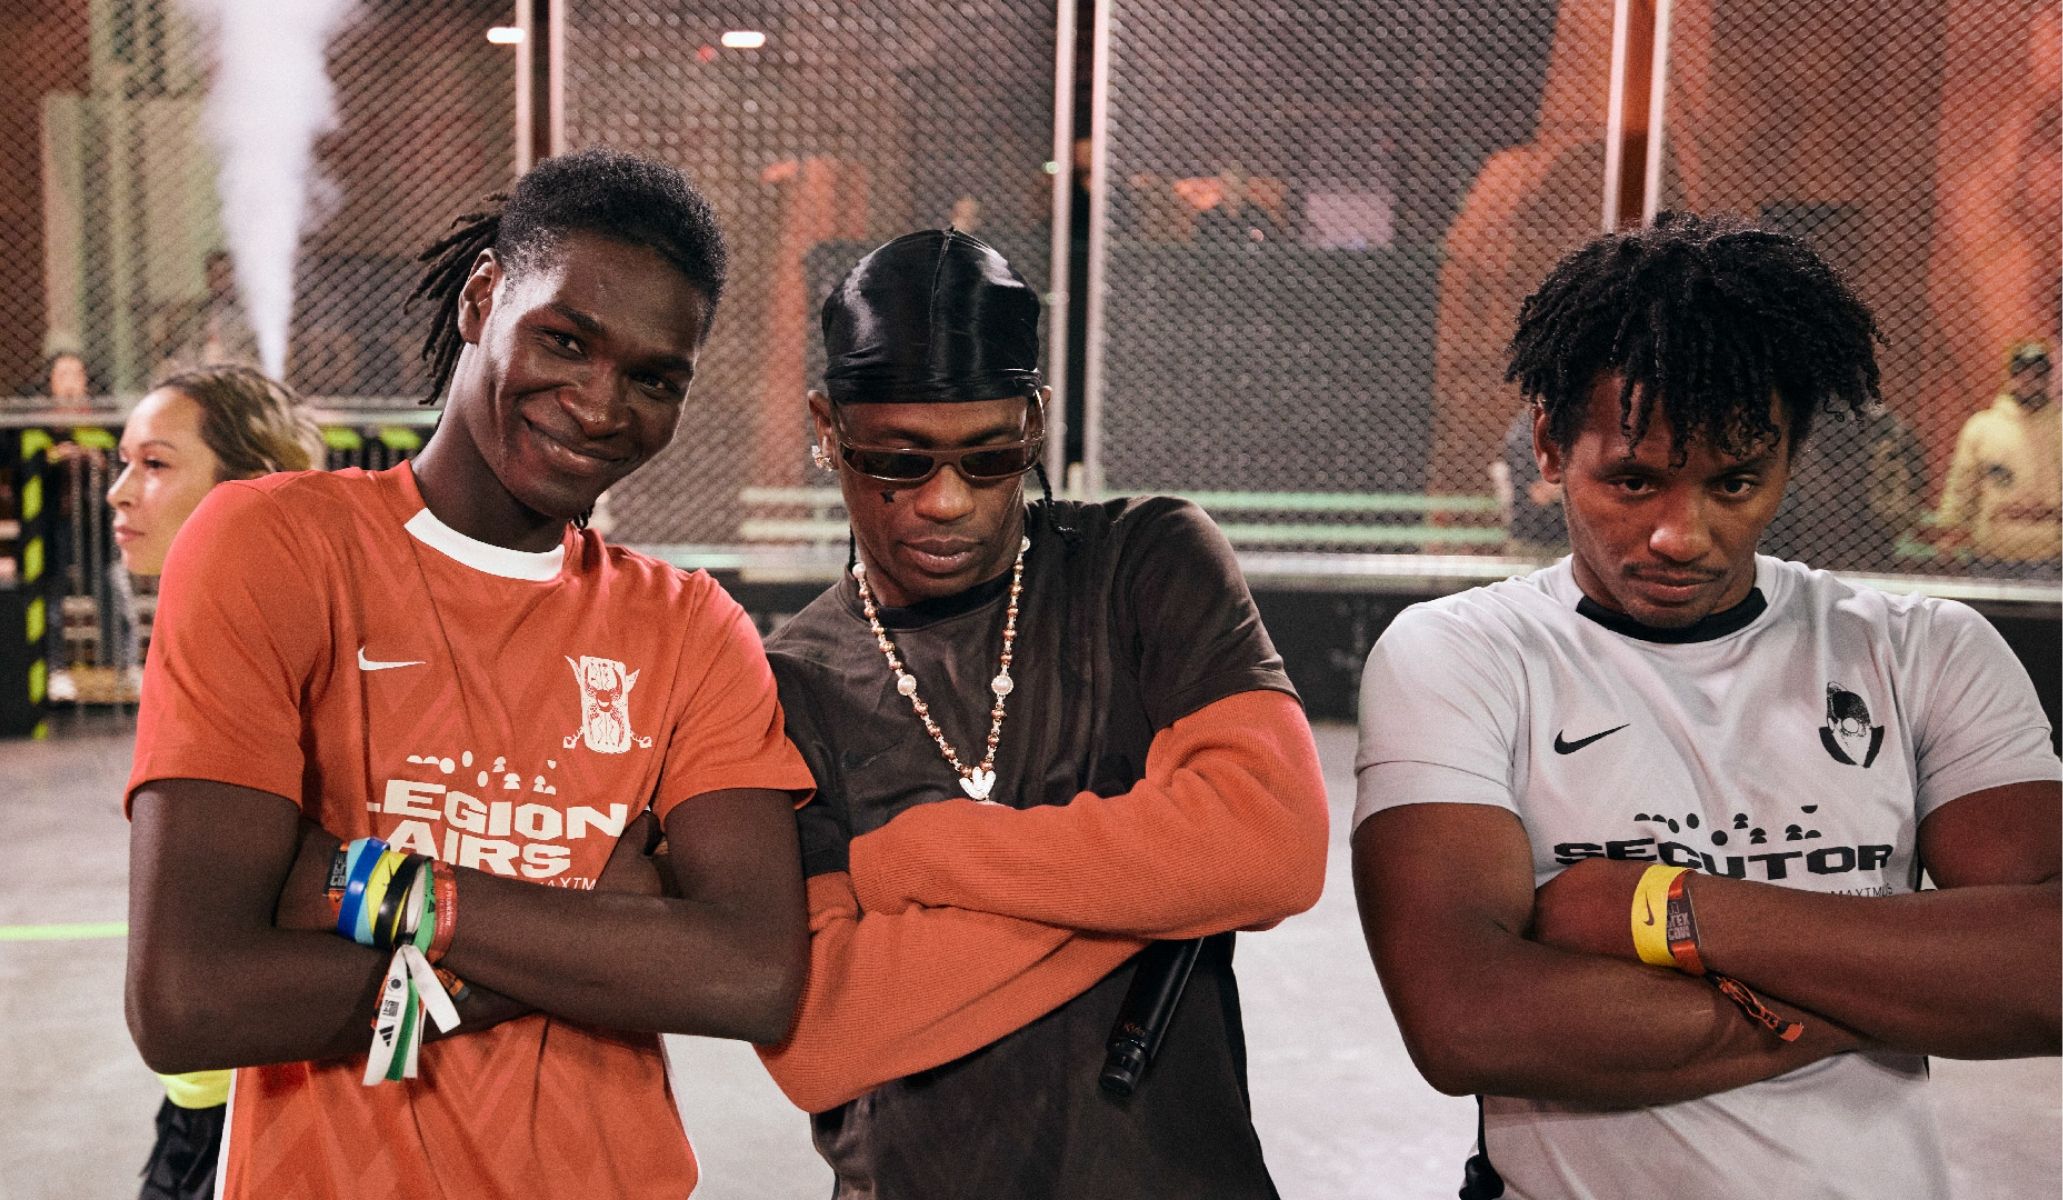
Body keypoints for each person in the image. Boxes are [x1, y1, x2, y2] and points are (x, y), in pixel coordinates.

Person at [123, 147, 815, 1199]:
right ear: (485, 298)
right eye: (566, 341)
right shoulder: (273, 546)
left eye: (652, 378)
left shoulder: (689, 626)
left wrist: (370, 883)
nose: (597, 404)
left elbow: (750, 974)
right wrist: (596, 923)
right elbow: (193, 1000)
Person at [1351, 213, 2060, 1200]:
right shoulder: (1464, 656)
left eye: (1734, 480)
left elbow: (2045, 978)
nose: (1680, 533)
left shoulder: (1922, 651)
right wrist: (1901, 983)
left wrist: (1661, 910)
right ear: (1552, 446)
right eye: (1632, 480)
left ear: (1790, 453)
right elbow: (1466, 1019)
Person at [756, 228, 1328, 1198]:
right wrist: (1162, 885)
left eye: (991, 459)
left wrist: (921, 860)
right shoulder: (787, 683)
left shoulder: (1144, 564)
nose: (945, 501)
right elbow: (822, 1030)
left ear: (1036, 420)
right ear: (825, 425)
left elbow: (1271, 843)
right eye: (895, 462)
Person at [107, 364, 322, 1198]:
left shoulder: (278, 647)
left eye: (156, 465)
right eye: (126, 463)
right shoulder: (192, 635)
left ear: (243, 490)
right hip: (200, 1102)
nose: (122, 493)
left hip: (272, 1105)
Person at [1933, 339, 2060, 566]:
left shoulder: (2059, 427)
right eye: (2023, 373)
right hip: (1992, 552)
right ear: (2011, 377)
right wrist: (1951, 530)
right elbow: (1962, 483)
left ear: (2047, 378)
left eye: (2037, 375)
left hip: (2052, 552)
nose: (2029, 381)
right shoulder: (1983, 427)